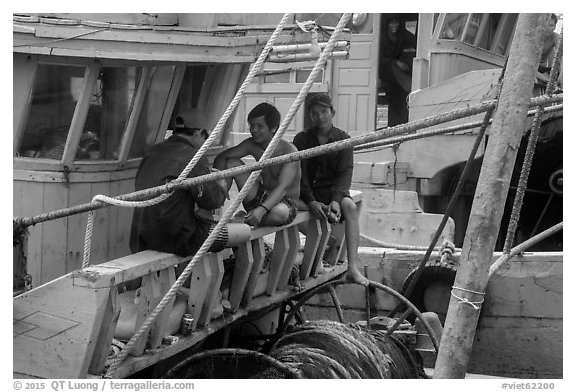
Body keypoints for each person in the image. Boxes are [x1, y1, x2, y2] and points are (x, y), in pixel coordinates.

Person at [130, 112, 249, 260]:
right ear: (199, 133)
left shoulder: (153, 151)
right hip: (176, 238)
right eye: (207, 137)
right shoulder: (194, 157)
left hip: (141, 235)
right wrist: (221, 185)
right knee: (244, 232)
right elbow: (212, 201)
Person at [293, 93, 368, 286]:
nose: (320, 117)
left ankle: (352, 267)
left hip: (333, 193)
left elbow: (345, 174)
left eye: (324, 111)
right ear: (310, 116)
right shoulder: (301, 140)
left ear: (332, 112)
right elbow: (300, 175)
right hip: (308, 194)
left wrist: (335, 200)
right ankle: (315, 254)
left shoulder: (344, 139)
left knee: (349, 207)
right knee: (291, 207)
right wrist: (311, 201)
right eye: (315, 113)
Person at [213, 102, 300, 227]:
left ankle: (243, 220)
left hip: (285, 204)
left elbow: (283, 188)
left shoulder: (289, 151)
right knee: (232, 162)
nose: (254, 130)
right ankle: (219, 209)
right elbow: (222, 157)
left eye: (259, 126)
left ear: (273, 128)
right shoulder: (251, 144)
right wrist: (220, 185)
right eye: (252, 125)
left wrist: (261, 210)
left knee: (279, 212)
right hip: (260, 196)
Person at [378, 16, 417, 125]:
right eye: (392, 23)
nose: (395, 25)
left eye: (396, 23)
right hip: (383, 68)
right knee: (393, 67)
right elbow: (379, 59)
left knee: (399, 91)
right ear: (387, 25)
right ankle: (410, 86)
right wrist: (396, 62)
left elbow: (414, 40)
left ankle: (409, 86)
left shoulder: (400, 35)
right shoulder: (383, 38)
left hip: (394, 71)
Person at [536, 14, 562, 88]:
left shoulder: (555, 37)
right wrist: (546, 80)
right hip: (529, 68)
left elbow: (561, 56)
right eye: (545, 25)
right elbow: (526, 64)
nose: (547, 28)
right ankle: (544, 80)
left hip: (543, 69)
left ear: (554, 27)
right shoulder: (532, 36)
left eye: (551, 25)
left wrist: (562, 74)